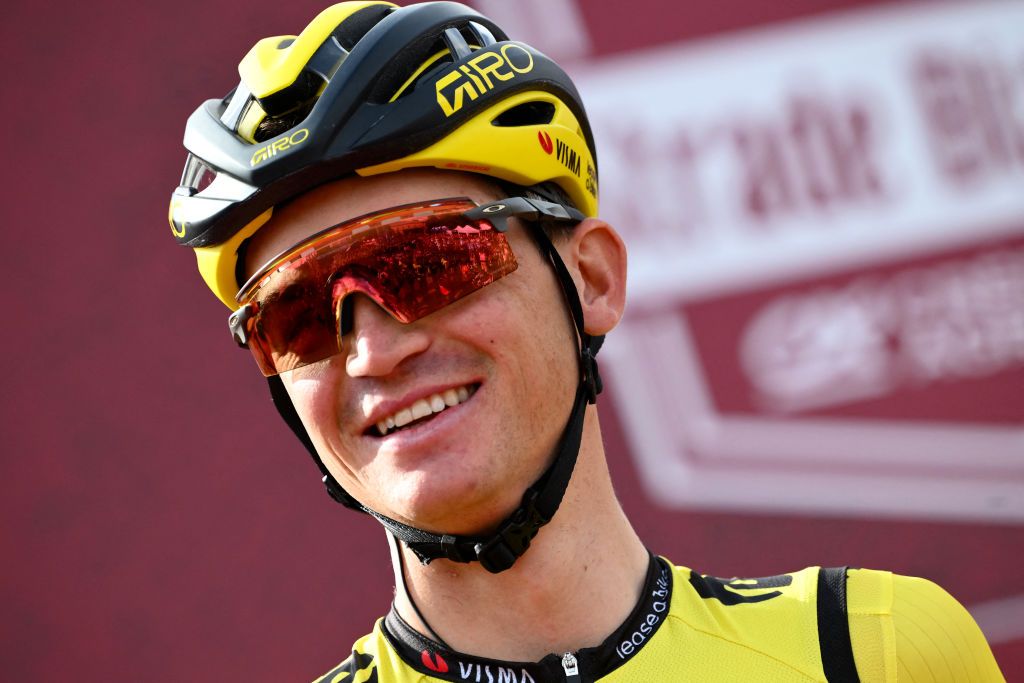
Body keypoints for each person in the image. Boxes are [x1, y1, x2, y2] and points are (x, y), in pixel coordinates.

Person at [168, 2, 1005, 681]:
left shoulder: (874, 652)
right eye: (297, 314)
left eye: (427, 261)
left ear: (593, 280)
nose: (372, 352)